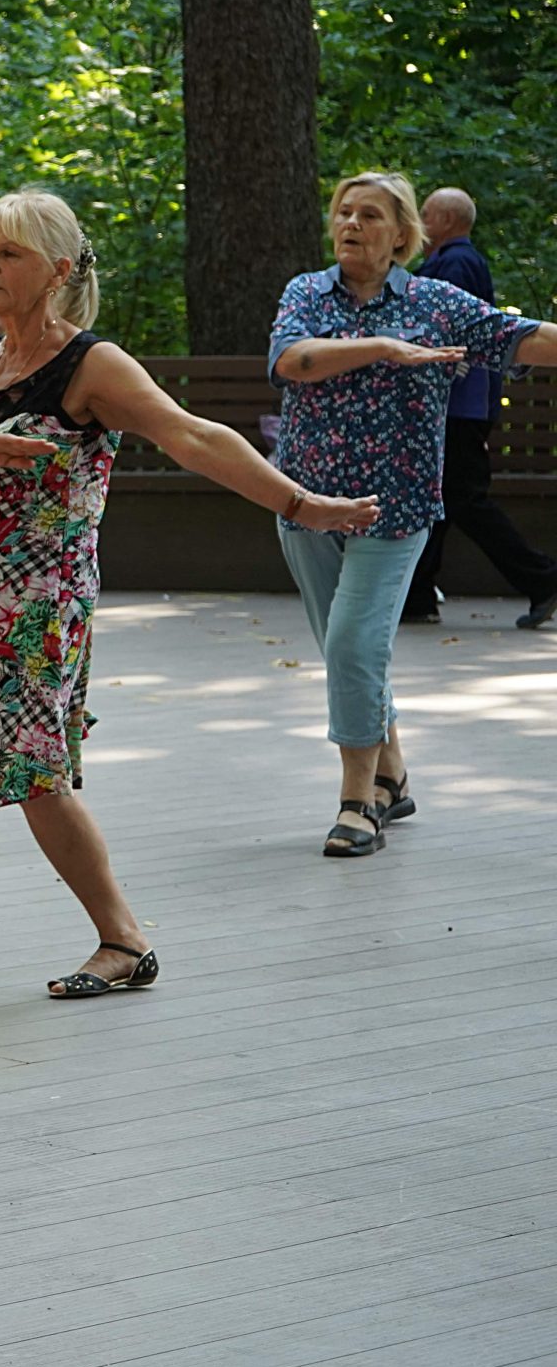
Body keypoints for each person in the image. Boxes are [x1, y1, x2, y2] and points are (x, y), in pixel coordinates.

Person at [0, 189, 376, 1017]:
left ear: (58, 269)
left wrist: (301, 505)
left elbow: (194, 436)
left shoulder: (91, 364)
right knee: (16, 776)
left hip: (40, 609)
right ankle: (122, 938)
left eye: (9, 253)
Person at [269, 171, 557, 858]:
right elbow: (291, 361)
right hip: (307, 504)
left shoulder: (437, 303)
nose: (351, 224)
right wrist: (384, 348)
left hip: (394, 509)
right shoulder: (306, 293)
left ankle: (357, 801)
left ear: (402, 235)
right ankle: (393, 775)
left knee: (352, 645)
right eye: (344, 212)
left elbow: (524, 337)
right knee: (350, 649)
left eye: (369, 215)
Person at [401, 187, 557, 630]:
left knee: (462, 498)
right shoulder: (455, 261)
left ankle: (543, 577)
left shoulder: (454, 264)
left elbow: (449, 334)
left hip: (459, 405)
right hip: (458, 404)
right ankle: (414, 597)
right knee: (442, 497)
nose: (419, 220)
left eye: (426, 213)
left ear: (446, 221)